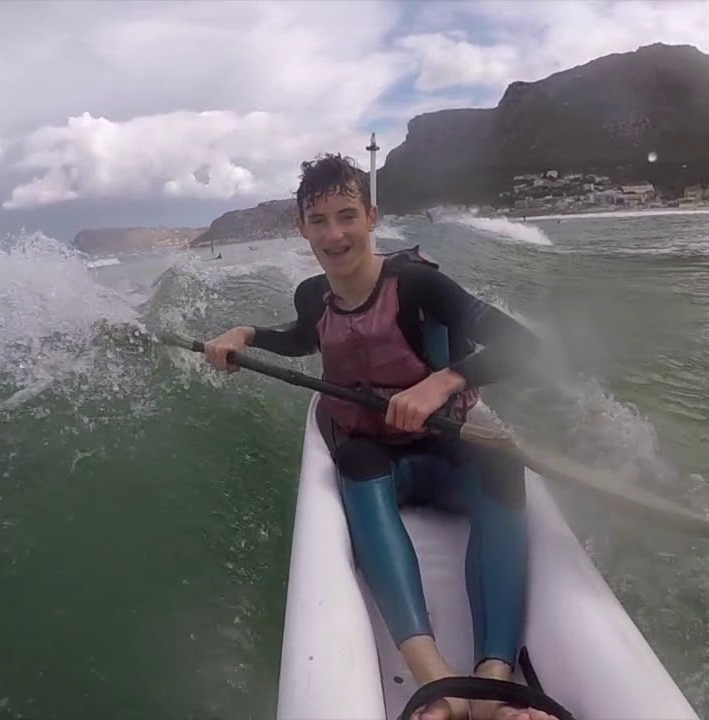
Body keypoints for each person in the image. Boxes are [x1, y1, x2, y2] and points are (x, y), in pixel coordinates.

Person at [203, 154, 555, 720]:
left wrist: (444, 380)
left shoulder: (419, 285)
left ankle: (494, 684)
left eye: (347, 216)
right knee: (357, 459)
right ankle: (436, 680)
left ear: (372, 217)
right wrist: (245, 334)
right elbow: (302, 339)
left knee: (501, 467)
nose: (334, 234)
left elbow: (524, 345)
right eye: (318, 221)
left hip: (443, 453)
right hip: (377, 467)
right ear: (302, 228)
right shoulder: (311, 295)